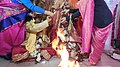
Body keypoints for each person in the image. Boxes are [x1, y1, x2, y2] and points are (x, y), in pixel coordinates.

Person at [66, 0, 113, 65]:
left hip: (103, 21)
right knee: (94, 41)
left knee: (98, 44)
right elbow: (82, 8)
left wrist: (69, 18)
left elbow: (83, 9)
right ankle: (95, 57)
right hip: (99, 19)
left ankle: (93, 61)